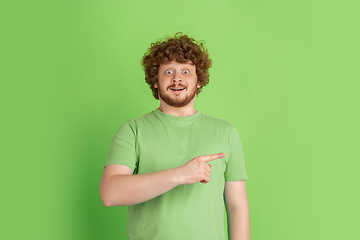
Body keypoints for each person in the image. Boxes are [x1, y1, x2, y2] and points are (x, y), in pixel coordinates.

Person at [100, 32, 250, 240]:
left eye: (186, 71)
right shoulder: (133, 130)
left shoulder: (225, 132)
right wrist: (180, 175)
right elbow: (110, 193)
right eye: (168, 71)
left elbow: (237, 207)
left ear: (199, 81)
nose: (177, 78)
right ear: (155, 81)